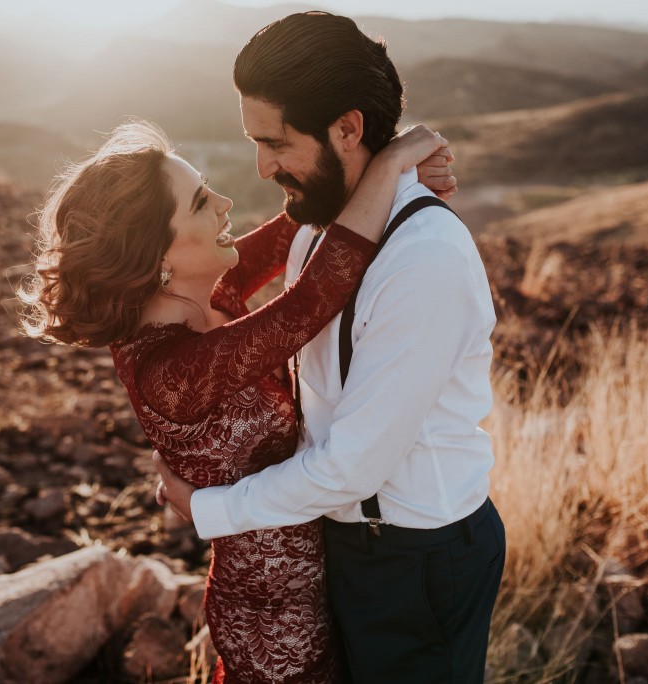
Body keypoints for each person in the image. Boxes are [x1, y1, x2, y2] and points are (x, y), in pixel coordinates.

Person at [19, 118, 454, 682]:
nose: (225, 202)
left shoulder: (206, 287)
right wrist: (393, 162)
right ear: (157, 255)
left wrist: (380, 169)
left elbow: (295, 226)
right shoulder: (168, 370)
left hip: (336, 574)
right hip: (277, 621)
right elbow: (313, 297)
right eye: (202, 201)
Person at [154, 11, 506, 684]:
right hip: (345, 543)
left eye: (276, 142)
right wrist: (396, 157)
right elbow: (229, 284)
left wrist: (207, 510)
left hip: (417, 561)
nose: (261, 167)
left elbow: (351, 469)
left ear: (347, 128)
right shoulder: (319, 223)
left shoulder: (424, 258)